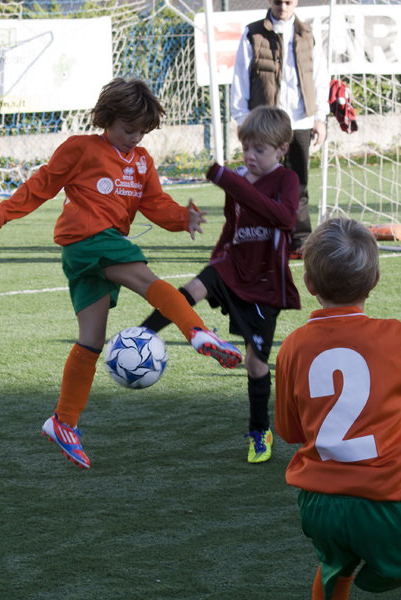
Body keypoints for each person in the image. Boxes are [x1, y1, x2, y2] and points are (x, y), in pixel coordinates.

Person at [0, 78, 244, 469]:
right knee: (149, 282)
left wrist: (182, 217)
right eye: (128, 129)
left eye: (142, 132)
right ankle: (198, 332)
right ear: (107, 119)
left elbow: (155, 204)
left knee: (91, 341)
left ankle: (63, 422)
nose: (134, 138)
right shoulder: (81, 148)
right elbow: (43, 184)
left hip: (93, 252)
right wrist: (1, 213)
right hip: (89, 240)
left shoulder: (142, 162)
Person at [273, 218, 401, 600]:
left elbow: (291, 432)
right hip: (383, 498)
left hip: (319, 502)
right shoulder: (400, 338)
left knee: (335, 569)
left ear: (309, 284)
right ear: (375, 279)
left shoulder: (292, 346)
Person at [139, 106, 300, 463]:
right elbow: (232, 224)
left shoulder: (285, 180)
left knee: (255, 363)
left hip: (265, 281)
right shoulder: (239, 179)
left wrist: (233, 182)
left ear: (282, 150)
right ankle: (142, 335)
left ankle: (260, 431)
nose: (250, 156)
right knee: (194, 288)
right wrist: (217, 258)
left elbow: (285, 218)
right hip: (232, 265)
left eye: (260, 150)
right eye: (246, 148)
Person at [230, 0, 329, 259]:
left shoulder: (308, 33)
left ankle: (299, 240)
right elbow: (240, 77)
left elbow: (319, 76)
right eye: (277, 1)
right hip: (265, 122)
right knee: (261, 184)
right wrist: (242, 119)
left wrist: (320, 117)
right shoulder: (252, 33)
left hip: (301, 121)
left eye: (288, 2)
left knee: (298, 184)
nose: (282, 6)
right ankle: (257, 238)